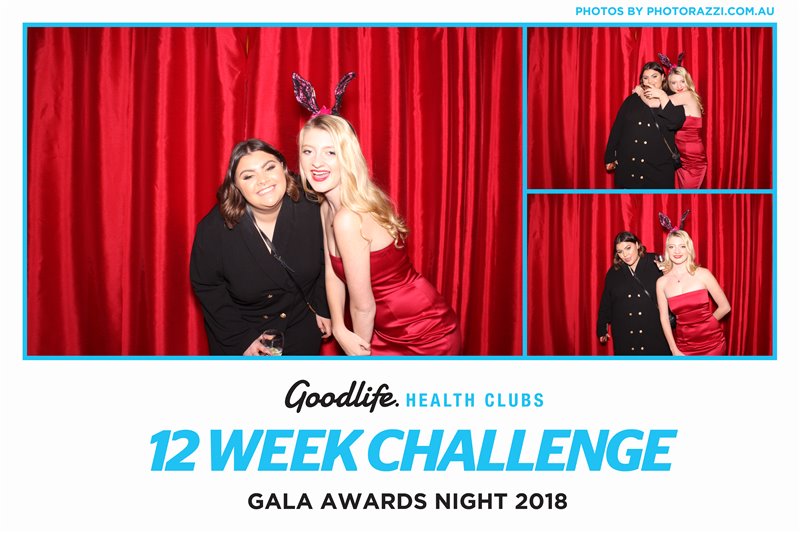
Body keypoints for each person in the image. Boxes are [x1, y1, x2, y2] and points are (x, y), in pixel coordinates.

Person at [298, 114, 461, 355]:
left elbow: (363, 307)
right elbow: (332, 274)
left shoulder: (348, 218)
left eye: (330, 152)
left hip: (423, 331)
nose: (317, 162)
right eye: (308, 151)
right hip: (383, 328)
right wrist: (339, 326)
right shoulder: (326, 208)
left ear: (348, 157)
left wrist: (358, 357)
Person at [190, 139, 331, 355]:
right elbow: (208, 287)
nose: (263, 180)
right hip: (243, 331)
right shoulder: (213, 229)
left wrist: (323, 307)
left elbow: (328, 259)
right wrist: (241, 339)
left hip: (301, 324)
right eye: (248, 176)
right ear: (236, 186)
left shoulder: (313, 206)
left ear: (283, 168)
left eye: (269, 168)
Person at [605, 62, 686, 189]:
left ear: (663, 77)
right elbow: (617, 128)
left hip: (658, 168)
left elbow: (675, 122)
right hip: (629, 166)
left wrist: (662, 96)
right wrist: (610, 156)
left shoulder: (673, 98)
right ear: (642, 80)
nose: (650, 81)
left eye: (654, 76)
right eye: (645, 77)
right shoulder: (632, 99)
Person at [655, 230, 730, 355]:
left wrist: (706, 325)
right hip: (684, 345)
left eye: (682, 246)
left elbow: (725, 307)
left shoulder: (703, 274)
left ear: (689, 249)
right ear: (667, 250)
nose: (677, 251)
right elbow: (664, 318)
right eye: (672, 247)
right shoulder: (662, 282)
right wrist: (674, 349)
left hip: (713, 344)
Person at [597, 231, 670, 355]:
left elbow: (673, 289)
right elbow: (606, 303)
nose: (625, 255)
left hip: (653, 332)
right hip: (625, 334)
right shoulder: (614, 272)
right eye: (620, 252)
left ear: (637, 245)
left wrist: (667, 272)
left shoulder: (655, 262)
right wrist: (601, 328)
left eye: (628, 248)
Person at [639, 60, 707, 188]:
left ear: (688, 81)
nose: (679, 86)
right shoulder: (679, 98)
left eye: (682, 81)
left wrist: (640, 91)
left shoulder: (687, 95)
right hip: (681, 155)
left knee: (689, 193)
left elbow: (653, 103)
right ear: (669, 85)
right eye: (673, 83)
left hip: (691, 156)